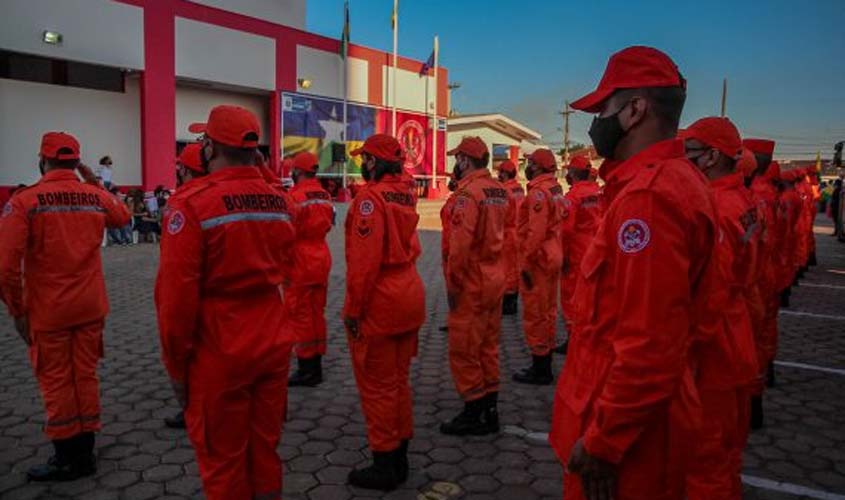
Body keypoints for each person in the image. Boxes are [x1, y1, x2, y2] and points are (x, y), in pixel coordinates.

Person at [549, 46, 720, 500]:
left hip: (626, 434)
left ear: (634, 110)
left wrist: (605, 441)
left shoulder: (648, 199)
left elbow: (649, 344)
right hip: (637, 416)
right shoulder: (674, 181)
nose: (595, 122)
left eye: (603, 107)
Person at [155, 105, 297, 500]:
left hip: (220, 348)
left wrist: (175, 366)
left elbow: (176, 299)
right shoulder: (279, 201)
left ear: (209, 148)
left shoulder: (191, 203)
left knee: (223, 461)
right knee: (264, 449)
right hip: (272, 338)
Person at [0, 132, 130, 481]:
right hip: (90, 306)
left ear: (42, 161)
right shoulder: (93, 196)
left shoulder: (25, 201)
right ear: (76, 162)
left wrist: (17, 310)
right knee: (84, 376)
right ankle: (84, 453)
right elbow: (122, 217)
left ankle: (66, 457)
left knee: (57, 381)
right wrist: (91, 180)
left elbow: (5, 267)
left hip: (49, 310)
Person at [680, 117, 761, 499]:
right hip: (737, 336)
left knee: (703, 461)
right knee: (727, 456)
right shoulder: (743, 200)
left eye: (688, 152)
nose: (682, 160)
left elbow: (710, 296)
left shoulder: (716, 206)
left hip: (713, 353)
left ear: (711, 156)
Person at [343, 134, 425, 490]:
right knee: (397, 382)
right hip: (409, 294)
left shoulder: (369, 199)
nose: (362, 163)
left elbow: (364, 265)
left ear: (373, 163)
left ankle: (386, 464)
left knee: (377, 387)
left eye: (365, 159)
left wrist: (352, 311)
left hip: (381, 301)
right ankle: (400, 454)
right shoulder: (406, 193)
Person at [440, 136, 507, 436]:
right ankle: (490, 408)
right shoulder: (499, 190)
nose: (455, 164)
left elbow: (460, 246)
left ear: (465, 161)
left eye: (457, 158)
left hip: (472, 280)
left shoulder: (468, 195)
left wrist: (453, 287)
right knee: (488, 345)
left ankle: (473, 412)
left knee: (465, 348)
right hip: (495, 276)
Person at [163, 142, 207, 430]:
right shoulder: (271, 195)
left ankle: (193, 411)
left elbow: (178, 281)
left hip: (204, 309)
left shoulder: (185, 204)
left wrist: (172, 344)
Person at [513, 148, 563, 385]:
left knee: (535, 312)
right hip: (552, 253)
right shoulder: (554, 187)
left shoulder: (538, 194)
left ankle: (540, 366)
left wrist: (525, 262)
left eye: (530, 162)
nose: (527, 166)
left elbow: (535, 232)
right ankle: (545, 358)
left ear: (540, 166)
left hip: (538, 259)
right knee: (549, 310)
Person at [286, 151, 334, 387]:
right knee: (317, 313)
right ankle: (316, 365)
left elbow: (287, 233)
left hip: (301, 260)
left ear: (298, 171)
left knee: (301, 315)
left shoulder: (294, 196)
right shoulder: (324, 194)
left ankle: (306, 369)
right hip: (321, 257)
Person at [743, 137, 780, 427]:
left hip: (742, 287)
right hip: (764, 273)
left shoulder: (739, 201)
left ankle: (751, 404)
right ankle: (757, 394)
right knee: (760, 335)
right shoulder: (760, 199)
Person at [556, 155, 601, 355]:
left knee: (571, 296)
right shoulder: (599, 192)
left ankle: (573, 338)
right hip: (596, 249)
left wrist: (563, 256)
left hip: (576, 252)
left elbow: (565, 231)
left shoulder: (572, 198)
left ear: (573, 173)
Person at [497, 159, 524, 315]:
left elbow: (502, 214)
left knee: (507, 269)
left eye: (500, 172)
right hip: (518, 232)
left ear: (505, 173)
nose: (498, 175)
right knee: (515, 267)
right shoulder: (518, 189)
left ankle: (508, 303)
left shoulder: (505, 191)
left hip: (507, 232)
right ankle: (513, 300)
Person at [438, 174, 458, 332]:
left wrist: (450, 253)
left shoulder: (462, 200)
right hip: (450, 250)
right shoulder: (457, 198)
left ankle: (457, 322)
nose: (450, 181)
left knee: (457, 290)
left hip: (454, 252)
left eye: (452, 178)